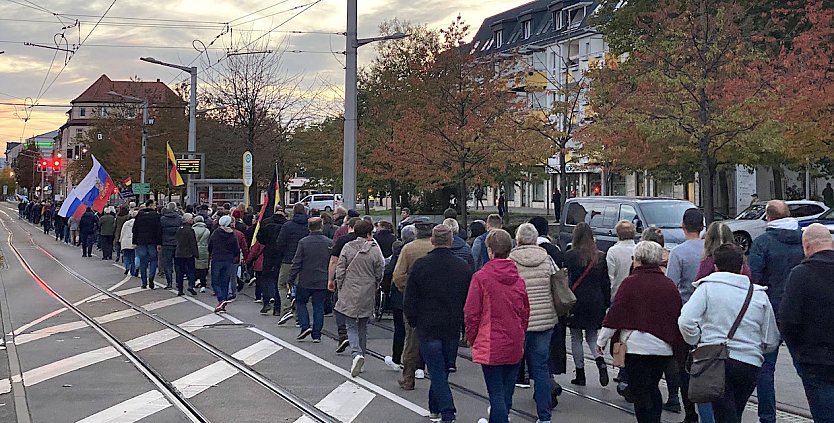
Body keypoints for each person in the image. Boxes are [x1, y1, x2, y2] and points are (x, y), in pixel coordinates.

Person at [679, 244, 780, 423]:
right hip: (749, 363)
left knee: (724, 413)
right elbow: (771, 338)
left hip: (716, 360)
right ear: (742, 267)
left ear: (715, 266)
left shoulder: (707, 288)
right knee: (734, 411)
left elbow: (686, 320)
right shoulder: (757, 294)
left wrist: (697, 340)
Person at [597, 241, 684, 423]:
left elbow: (616, 313)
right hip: (662, 348)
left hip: (636, 347)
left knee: (640, 391)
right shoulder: (668, 285)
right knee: (652, 387)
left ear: (637, 260)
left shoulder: (630, 283)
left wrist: (601, 341)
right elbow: (677, 316)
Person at [404, 225, 471, 423]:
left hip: (427, 325)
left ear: (432, 241)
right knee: (441, 368)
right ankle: (436, 406)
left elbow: (410, 298)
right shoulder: (462, 266)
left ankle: (446, 411)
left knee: (436, 369)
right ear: (451, 241)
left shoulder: (421, 265)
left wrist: (414, 320)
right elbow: (468, 299)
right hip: (452, 325)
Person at [747, 200, 804, 423]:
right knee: (806, 368)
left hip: (770, 310)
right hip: (800, 312)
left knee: (765, 368)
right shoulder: (803, 240)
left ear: (768, 218)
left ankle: (767, 417)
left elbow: (755, 279)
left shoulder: (762, 243)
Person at [465, 229, 530, 423]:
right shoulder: (518, 279)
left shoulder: (481, 278)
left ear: (490, 251)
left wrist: (472, 337)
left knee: (496, 393)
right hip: (514, 339)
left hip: (491, 341)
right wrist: (521, 333)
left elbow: (471, 313)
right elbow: (524, 311)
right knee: (506, 392)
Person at [780, 224, 834, 422]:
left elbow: (787, 321)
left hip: (816, 363)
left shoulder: (800, 275)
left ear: (807, 246)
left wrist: (799, 354)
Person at [508, 223, 558, 422]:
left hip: (519, 321)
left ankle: (505, 411)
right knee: (541, 369)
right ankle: (544, 416)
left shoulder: (511, 260)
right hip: (544, 320)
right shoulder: (547, 259)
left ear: (518, 239)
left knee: (511, 368)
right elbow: (557, 285)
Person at [665, 208, 706, 420]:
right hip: (707, 316)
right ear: (702, 226)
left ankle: (690, 412)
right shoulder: (709, 251)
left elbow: (671, 285)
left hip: (685, 313)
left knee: (683, 366)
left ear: (683, 226)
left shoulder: (679, 252)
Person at [334, 220, 384, 377]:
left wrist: (340, 285)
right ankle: (362, 355)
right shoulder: (375, 250)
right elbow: (380, 269)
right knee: (363, 324)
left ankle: (356, 354)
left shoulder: (348, 248)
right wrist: (375, 282)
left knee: (350, 324)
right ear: (369, 233)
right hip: (367, 290)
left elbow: (340, 269)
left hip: (349, 288)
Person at [565, 222, 610, 387]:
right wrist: (606, 303)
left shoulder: (570, 256)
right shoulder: (600, 257)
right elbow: (605, 283)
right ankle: (601, 363)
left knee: (576, 338)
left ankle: (580, 374)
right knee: (592, 337)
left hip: (576, 301)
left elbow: (566, 281)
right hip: (596, 301)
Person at [393, 221, 435, 390]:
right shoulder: (439, 247)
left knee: (412, 340)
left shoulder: (409, 249)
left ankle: (408, 377)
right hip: (438, 300)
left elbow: (398, 275)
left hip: (414, 301)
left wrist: (407, 289)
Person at [288, 217, 331, 343]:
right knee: (318, 306)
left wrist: (291, 278)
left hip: (305, 279)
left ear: (309, 227)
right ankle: (317, 334)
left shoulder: (303, 242)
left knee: (300, 302)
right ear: (321, 226)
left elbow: (297, 262)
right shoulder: (329, 242)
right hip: (322, 279)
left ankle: (305, 326)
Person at [382, 226, 414, 370]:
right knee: (417, 332)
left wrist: (387, 288)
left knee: (400, 329)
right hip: (419, 297)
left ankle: (396, 359)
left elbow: (393, 272)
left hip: (400, 297)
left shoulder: (401, 251)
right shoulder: (425, 248)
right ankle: (419, 366)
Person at [273, 203, 310, 324]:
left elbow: (280, 243)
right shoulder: (308, 226)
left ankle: (287, 308)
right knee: (300, 287)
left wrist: (280, 257)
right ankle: (299, 313)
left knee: (282, 285)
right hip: (304, 262)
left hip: (288, 260)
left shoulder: (287, 226)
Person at [328, 216, 360, 352]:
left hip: (345, 278)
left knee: (340, 305)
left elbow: (334, 261)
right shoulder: (370, 242)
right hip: (363, 280)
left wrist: (331, 278)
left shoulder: (342, 241)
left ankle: (343, 333)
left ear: (349, 227)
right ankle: (358, 338)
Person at [208, 215, 241, 313]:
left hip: (217, 259)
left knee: (215, 281)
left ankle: (221, 299)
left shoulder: (216, 233)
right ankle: (224, 299)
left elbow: (210, 245)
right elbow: (236, 248)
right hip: (228, 260)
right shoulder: (232, 234)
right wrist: (234, 256)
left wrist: (211, 253)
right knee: (225, 281)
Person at [258, 210, 288, 316]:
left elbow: (259, 237)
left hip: (269, 253)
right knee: (278, 280)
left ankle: (266, 301)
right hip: (281, 254)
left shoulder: (266, 223)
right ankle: (277, 307)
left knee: (265, 277)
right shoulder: (286, 225)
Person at [133, 200, 162, 289]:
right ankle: (151, 277)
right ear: (150, 205)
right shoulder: (156, 216)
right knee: (153, 260)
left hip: (141, 241)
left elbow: (135, 229)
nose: (155, 206)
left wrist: (135, 242)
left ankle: (144, 282)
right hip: (152, 242)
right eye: (154, 205)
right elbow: (159, 230)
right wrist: (159, 243)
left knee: (143, 262)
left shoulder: (139, 215)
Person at [606, 220, 637, 301]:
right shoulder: (639, 250)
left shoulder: (612, 251)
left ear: (618, 233)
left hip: (617, 294)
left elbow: (610, 276)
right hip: (636, 294)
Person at [160, 202, 183, 290]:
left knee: (167, 263)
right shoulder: (179, 218)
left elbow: (160, 232)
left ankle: (169, 282)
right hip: (177, 243)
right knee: (178, 264)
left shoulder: (162, 219)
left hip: (166, 243)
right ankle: (178, 282)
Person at [174, 213, 199, 296]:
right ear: (188, 220)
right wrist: (196, 253)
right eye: (191, 218)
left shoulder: (179, 229)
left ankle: (180, 289)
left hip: (179, 253)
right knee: (191, 271)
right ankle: (191, 285)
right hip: (188, 254)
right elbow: (193, 243)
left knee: (180, 272)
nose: (192, 220)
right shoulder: (190, 230)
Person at [192, 215, 211, 293]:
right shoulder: (207, 230)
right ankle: (203, 285)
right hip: (204, 250)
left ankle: (196, 280)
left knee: (194, 266)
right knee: (203, 267)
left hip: (194, 249)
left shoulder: (192, 230)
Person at [119, 210, 138, 277]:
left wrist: (120, 240)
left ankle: (127, 267)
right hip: (133, 242)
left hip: (125, 241)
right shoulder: (137, 223)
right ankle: (133, 271)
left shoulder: (126, 223)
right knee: (133, 257)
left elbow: (122, 232)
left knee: (126, 256)